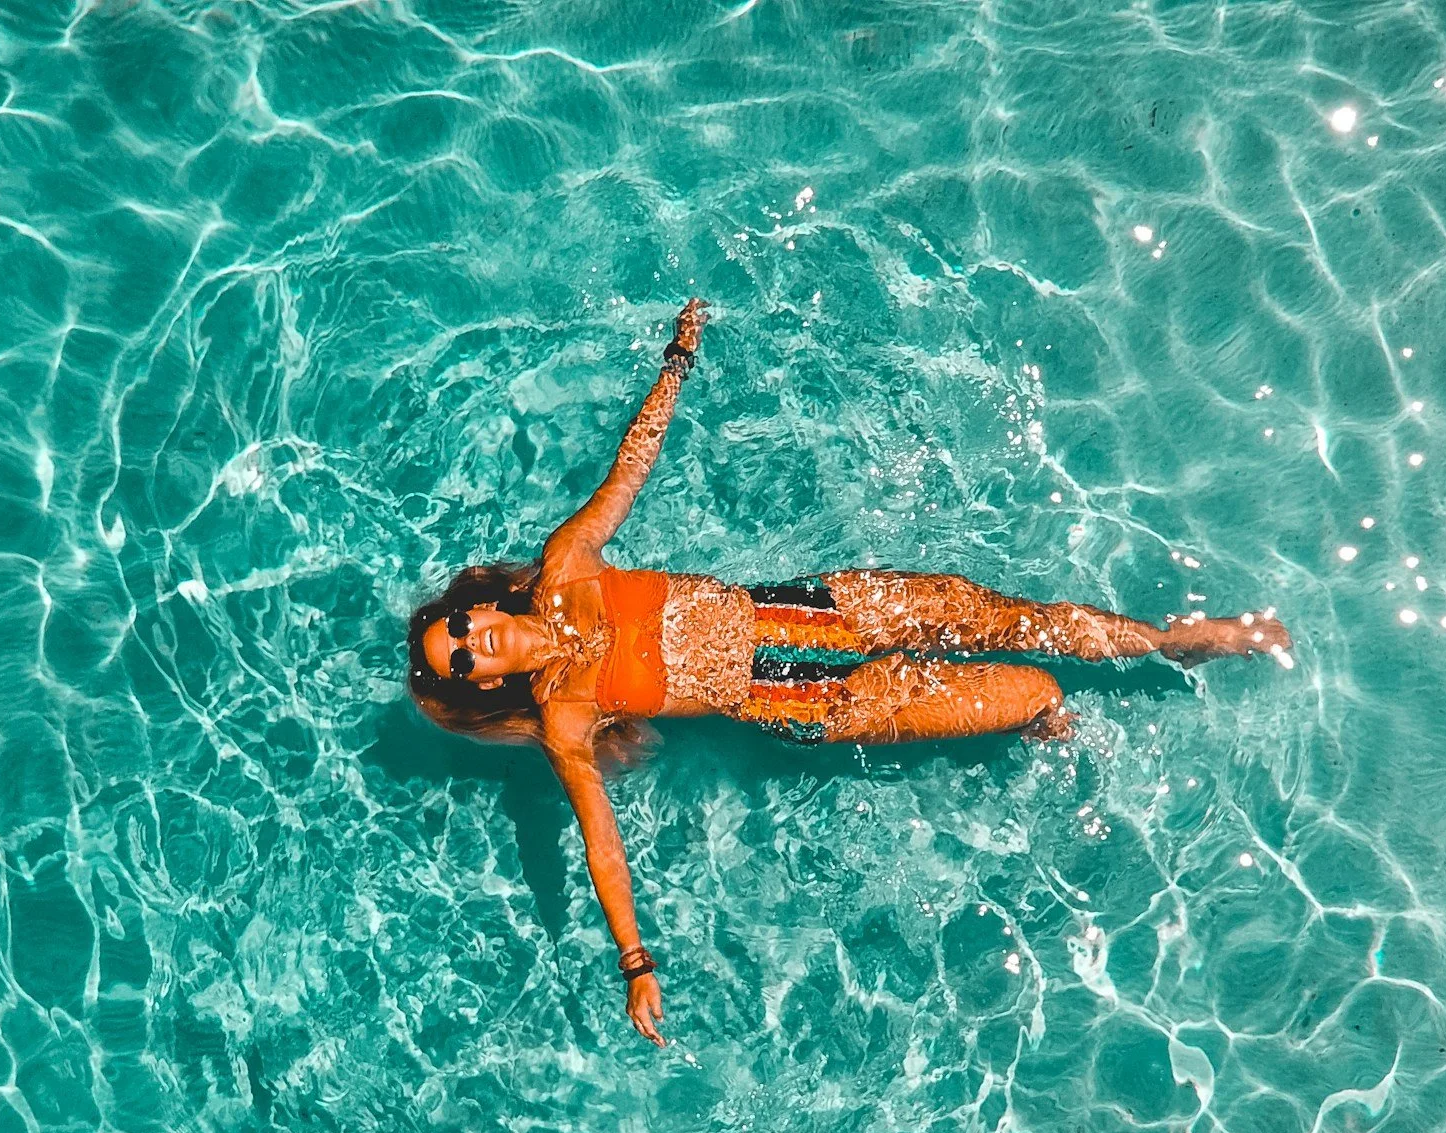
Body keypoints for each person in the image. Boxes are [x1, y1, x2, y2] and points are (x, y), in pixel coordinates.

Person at [408, 300, 1289, 1045]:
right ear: (479, 684)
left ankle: (1169, 643)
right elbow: (601, 843)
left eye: (460, 629)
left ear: (479, 607)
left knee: (1012, 620)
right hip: (812, 699)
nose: (471, 644)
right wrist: (635, 961)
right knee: (1038, 692)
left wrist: (675, 362)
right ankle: (1046, 719)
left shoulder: (566, 566)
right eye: (460, 663)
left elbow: (626, 474)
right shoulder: (566, 719)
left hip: (820, 608)